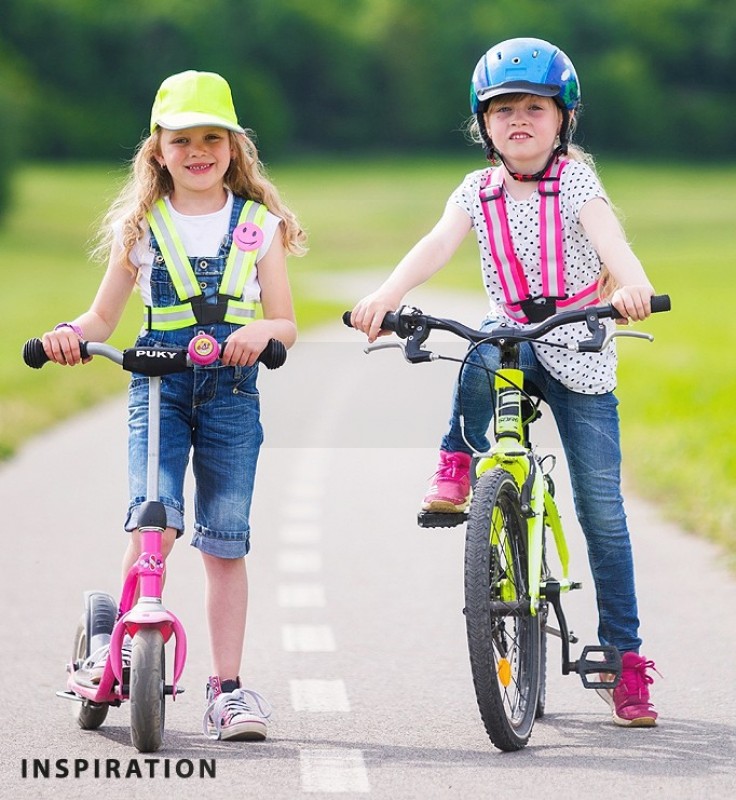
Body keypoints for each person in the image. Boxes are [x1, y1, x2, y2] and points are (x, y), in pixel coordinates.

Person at [350, 38, 659, 727]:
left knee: (603, 510)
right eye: (503, 110)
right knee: (476, 349)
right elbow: (434, 245)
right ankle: (459, 465)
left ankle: (625, 659)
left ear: (563, 120)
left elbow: (612, 242)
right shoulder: (476, 190)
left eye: (534, 108)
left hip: (578, 348)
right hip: (513, 341)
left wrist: (633, 285)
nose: (519, 119)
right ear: (483, 125)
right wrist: (384, 297)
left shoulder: (577, 183)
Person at [42, 70, 306, 741]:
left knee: (225, 539)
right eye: (181, 139)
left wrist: (258, 335)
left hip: (232, 395)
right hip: (158, 387)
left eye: (211, 137)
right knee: (153, 520)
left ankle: (228, 689)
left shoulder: (259, 226)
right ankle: (116, 641)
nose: (197, 151)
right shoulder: (143, 226)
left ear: (233, 146)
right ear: (158, 149)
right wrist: (70, 337)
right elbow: (103, 317)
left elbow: (285, 323)